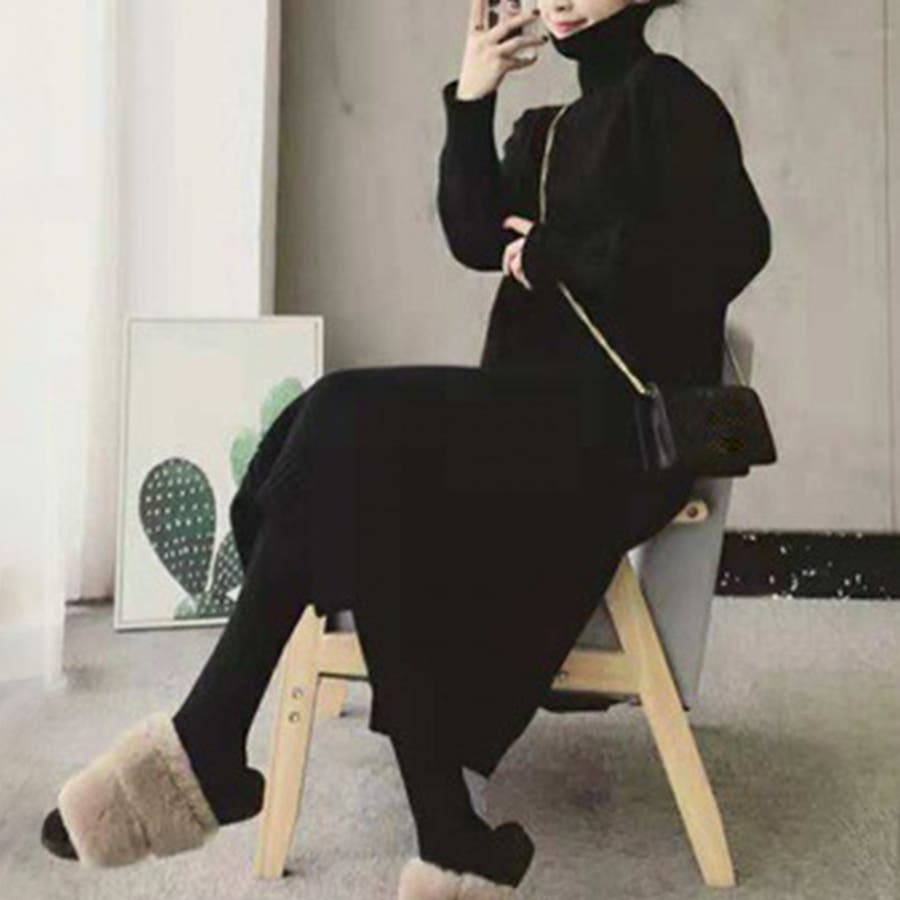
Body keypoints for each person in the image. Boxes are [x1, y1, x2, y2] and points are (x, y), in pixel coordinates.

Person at [40, 0, 772, 896]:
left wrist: (560, 255)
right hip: (524, 423)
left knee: (347, 416)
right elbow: (473, 236)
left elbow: (733, 248)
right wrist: (474, 95)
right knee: (361, 456)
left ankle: (208, 741)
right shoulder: (546, 130)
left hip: (618, 436)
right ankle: (446, 833)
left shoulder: (671, 98)